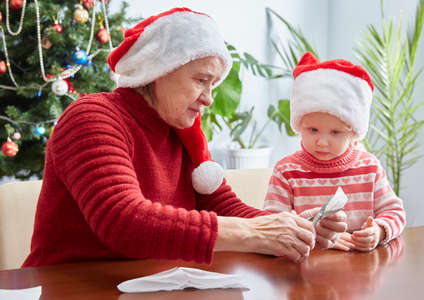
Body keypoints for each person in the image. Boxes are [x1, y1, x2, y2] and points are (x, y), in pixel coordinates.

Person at [22, 8, 347, 267]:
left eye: (213, 84)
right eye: (201, 80)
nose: (208, 98)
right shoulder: (91, 117)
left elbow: (223, 206)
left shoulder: (183, 132)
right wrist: (254, 232)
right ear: (158, 70)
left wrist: (294, 227)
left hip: (145, 284)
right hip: (68, 288)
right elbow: (123, 220)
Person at [264, 52, 406, 252]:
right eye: (312, 130)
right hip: (305, 271)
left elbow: (394, 211)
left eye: (335, 132)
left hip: (361, 271)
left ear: (354, 133)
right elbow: (272, 223)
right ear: (299, 125)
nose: (322, 142)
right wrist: (317, 237)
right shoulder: (286, 171)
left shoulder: (369, 168)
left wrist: (379, 231)